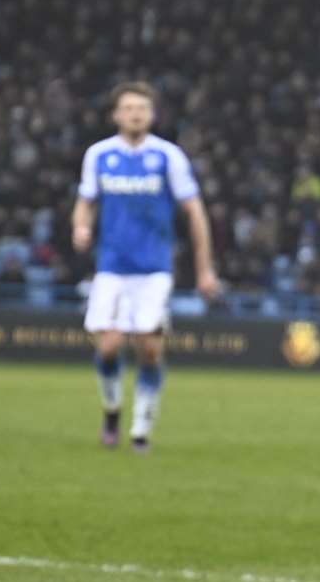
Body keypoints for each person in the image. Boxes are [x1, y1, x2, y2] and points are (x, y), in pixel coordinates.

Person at [71, 81, 219, 451]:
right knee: (107, 346)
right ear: (116, 114)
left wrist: (204, 269)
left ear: (152, 115)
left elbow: (195, 210)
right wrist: (80, 226)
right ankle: (111, 409)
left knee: (149, 348)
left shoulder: (168, 157)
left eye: (142, 108)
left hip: (154, 268)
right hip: (111, 266)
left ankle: (140, 429)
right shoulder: (99, 155)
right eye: (129, 108)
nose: (135, 113)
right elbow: (85, 200)